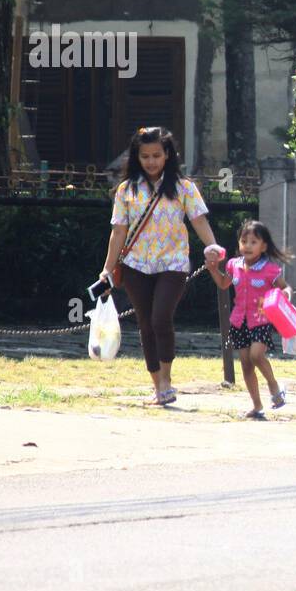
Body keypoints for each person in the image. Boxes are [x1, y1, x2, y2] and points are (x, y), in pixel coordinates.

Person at [98, 126, 223, 405]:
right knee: (145, 324)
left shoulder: (184, 187)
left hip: (173, 263)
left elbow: (199, 220)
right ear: (137, 157)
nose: (151, 161)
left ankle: (167, 379)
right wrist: (107, 269)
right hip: (135, 266)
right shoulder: (126, 190)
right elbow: (118, 231)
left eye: (157, 155)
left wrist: (211, 246)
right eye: (145, 156)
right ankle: (157, 386)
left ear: (167, 155)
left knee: (161, 318)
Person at [206, 220, 294, 420]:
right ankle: (257, 406)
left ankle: (274, 387)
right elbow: (222, 283)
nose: (247, 245)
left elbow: (285, 287)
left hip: (261, 320)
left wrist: (286, 295)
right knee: (246, 364)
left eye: (253, 242)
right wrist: (213, 270)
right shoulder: (233, 265)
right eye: (243, 241)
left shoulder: (270, 270)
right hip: (238, 321)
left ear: (263, 246)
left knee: (256, 355)